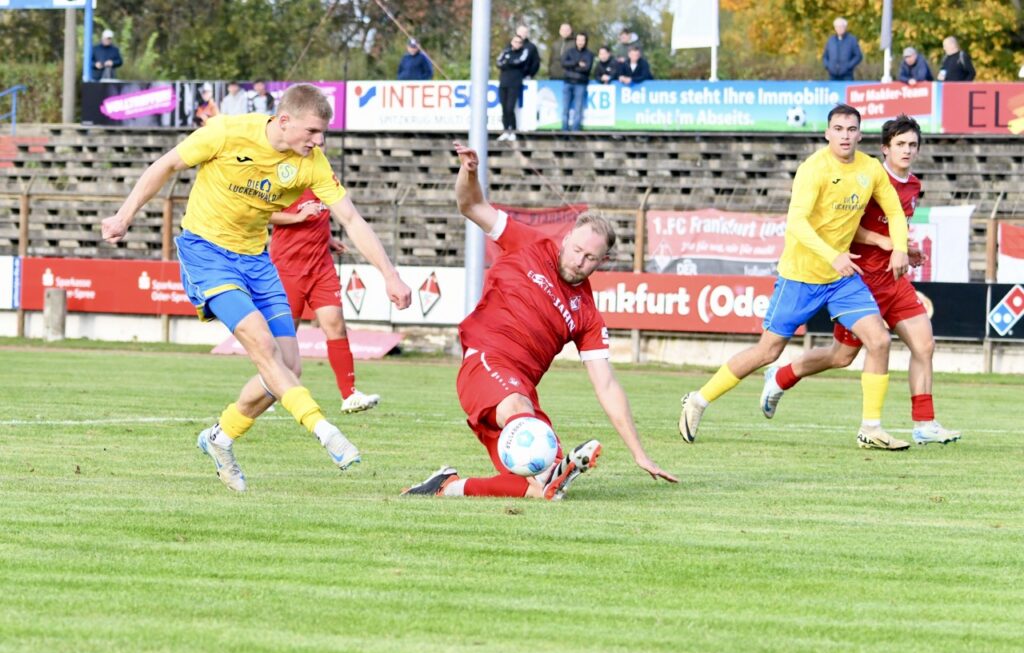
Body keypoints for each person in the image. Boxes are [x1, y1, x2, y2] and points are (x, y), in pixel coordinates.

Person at [100, 84, 412, 493]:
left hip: (256, 261)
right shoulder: (227, 132)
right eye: (313, 132)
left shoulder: (312, 163)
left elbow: (351, 220)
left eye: (323, 134)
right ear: (284, 121)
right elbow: (166, 165)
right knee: (265, 349)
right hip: (207, 253)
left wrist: (389, 274)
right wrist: (125, 215)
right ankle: (326, 432)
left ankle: (220, 437)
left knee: (288, 366)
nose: (318, 142)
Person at [402, 143, 678, 499]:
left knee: (541, 487)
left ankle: (447, 487)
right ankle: (549, 467)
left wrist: (640, 453)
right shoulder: (527, 242)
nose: (579, 261)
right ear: (566, 239)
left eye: (590, 257)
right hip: (485, 364)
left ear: (602, 260)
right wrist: (469, 172)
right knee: (527, 425)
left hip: (522, 394)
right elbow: (470, 205)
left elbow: (606, 385)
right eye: (576, 250)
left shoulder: (588, 314)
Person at [679, 104, 912, 451]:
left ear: (860, 134)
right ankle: (697, 400)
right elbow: (797, 224)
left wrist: (900, 248)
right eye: (838, 129)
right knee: (767, 351)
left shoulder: (871, 168)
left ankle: (871, 428)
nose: (845, 135)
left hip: (841, 277)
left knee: (878, 340)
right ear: (827, 133)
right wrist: (833, 254)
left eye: (852, 129)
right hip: (801, 275)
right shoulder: (813, 169)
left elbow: (893, 210)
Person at [761, 115, 961, 446]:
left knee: (925, 344)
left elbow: (894, 225)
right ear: (885, 148)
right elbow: (845, 226)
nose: (907, 150)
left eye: (912, 145)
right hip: (862, 279)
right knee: (841, 357)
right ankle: (780, 376)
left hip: (894, 280)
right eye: (900, 144)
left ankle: (924, 423)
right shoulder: (866, 178)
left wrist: (904, 250)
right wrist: (886, 244)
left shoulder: (913, 185)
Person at [268, 189, 382, 414]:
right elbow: (263, 213)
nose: (318, 151)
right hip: (288, 267)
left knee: (336, 326)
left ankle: (349, 394)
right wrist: (298, 217)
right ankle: (271, 392)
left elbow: (322, 215)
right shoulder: (283, 175)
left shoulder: (323, 178)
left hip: (321, 267)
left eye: (322, 149)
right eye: (317, 149)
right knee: (286, 333)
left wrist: (328, 239)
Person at [496, 35, 530, 142]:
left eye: (519, 42)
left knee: (510, 108)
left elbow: (519, 62)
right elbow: (499, 62)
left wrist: (508, 62)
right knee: (504, 108)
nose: (517, 44)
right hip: (503, 83)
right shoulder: (506, 51)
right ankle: (506, 130)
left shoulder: (523, 52)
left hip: (514, 84)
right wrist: (509, 62)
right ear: (511, 42)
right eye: (515, 41)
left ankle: (513, 130)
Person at [561, 32, 594, 131]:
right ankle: (564, 131)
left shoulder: (589, 54)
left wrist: (572, 67)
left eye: (582, 40)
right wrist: (577, 63)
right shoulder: (569, 51)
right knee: (565, 108)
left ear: (585, 41)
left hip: (580, 83)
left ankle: (575, 131)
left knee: (578, 109)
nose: (580, 42)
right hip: (568, 82)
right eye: (578, 40)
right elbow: (563, 63)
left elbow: (586, 68)